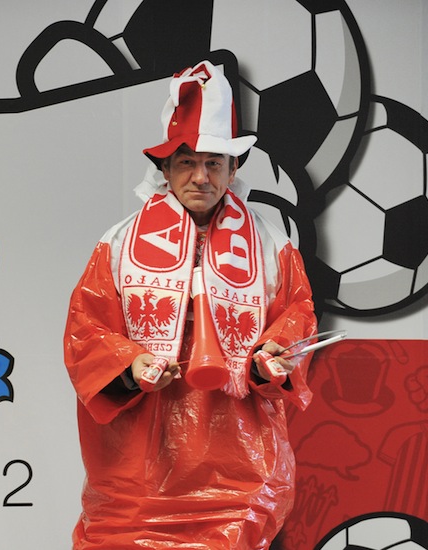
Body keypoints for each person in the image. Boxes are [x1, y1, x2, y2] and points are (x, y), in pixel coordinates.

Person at [63, 60, 317, 549]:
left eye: (213, 163)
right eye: (186, 162)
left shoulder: (272, 246)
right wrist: (130, 362)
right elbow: (86, 330)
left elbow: (298, 315)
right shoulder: (118, 243)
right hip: (136, 467)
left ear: (234, 168)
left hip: (238, 464)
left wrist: (273, 353)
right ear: (164, 168)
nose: (200, 177)